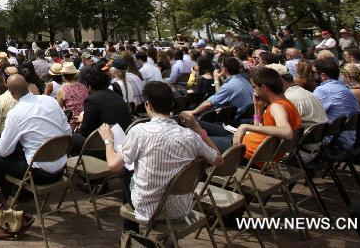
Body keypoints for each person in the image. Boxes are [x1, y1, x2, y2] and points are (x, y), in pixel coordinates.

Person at [101, 81, 223, 230]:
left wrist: (108, 140)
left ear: (148, 105)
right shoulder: (191, 136)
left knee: (125, 171)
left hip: (150, 210)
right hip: (181, 209)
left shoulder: (139, 132)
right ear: (171, 105)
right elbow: (218, 159)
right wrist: (198, 129)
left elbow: (113, 165)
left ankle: (130, 233)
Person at [0, 75, 71, 218]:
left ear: (12, 94)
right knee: (16, 148)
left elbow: (3, 151)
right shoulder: (50, 101)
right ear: (28, 86)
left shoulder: (16, 113)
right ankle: (16, 194)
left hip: (39, 174)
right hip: (60, 167)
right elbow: (67, 132)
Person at [194, 67, 302, 156]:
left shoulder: (276, 107)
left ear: (263, 87)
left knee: (196, 139)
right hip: (248, 142)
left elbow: (287, 132)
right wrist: (258, 109)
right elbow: (259, 131)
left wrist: (246, 126)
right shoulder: (287, 103)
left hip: (244, 150)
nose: (254, 91)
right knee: (197, 125)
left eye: (254, 87)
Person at [72, 66, 131, 155]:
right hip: (124, 139)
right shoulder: (116, 95)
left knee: (74, 138)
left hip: (107, 146)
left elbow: (85, 131)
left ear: (89, 86)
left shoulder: (92, 100)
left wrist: (82, 122)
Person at [313, 58, 360, 149]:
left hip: (332, 141)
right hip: (348, 139)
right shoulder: (345, 89)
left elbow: (313, 114)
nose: (310, 75)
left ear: (323, 75)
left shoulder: (322, 90)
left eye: (313, 73)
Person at [186, 56, 254, 117]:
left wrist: (193, 112)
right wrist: (216, 79)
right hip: (246, 116)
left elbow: (209, 104)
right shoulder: (245, 81)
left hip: (236, 119)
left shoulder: (230, 85)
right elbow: (219, 95)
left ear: (225, 69)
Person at [56, 62, 88, 130]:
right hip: (85, 121)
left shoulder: (61, 90)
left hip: (72, 125)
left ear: (63, 76)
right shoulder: (83, 87)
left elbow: (59, 112)